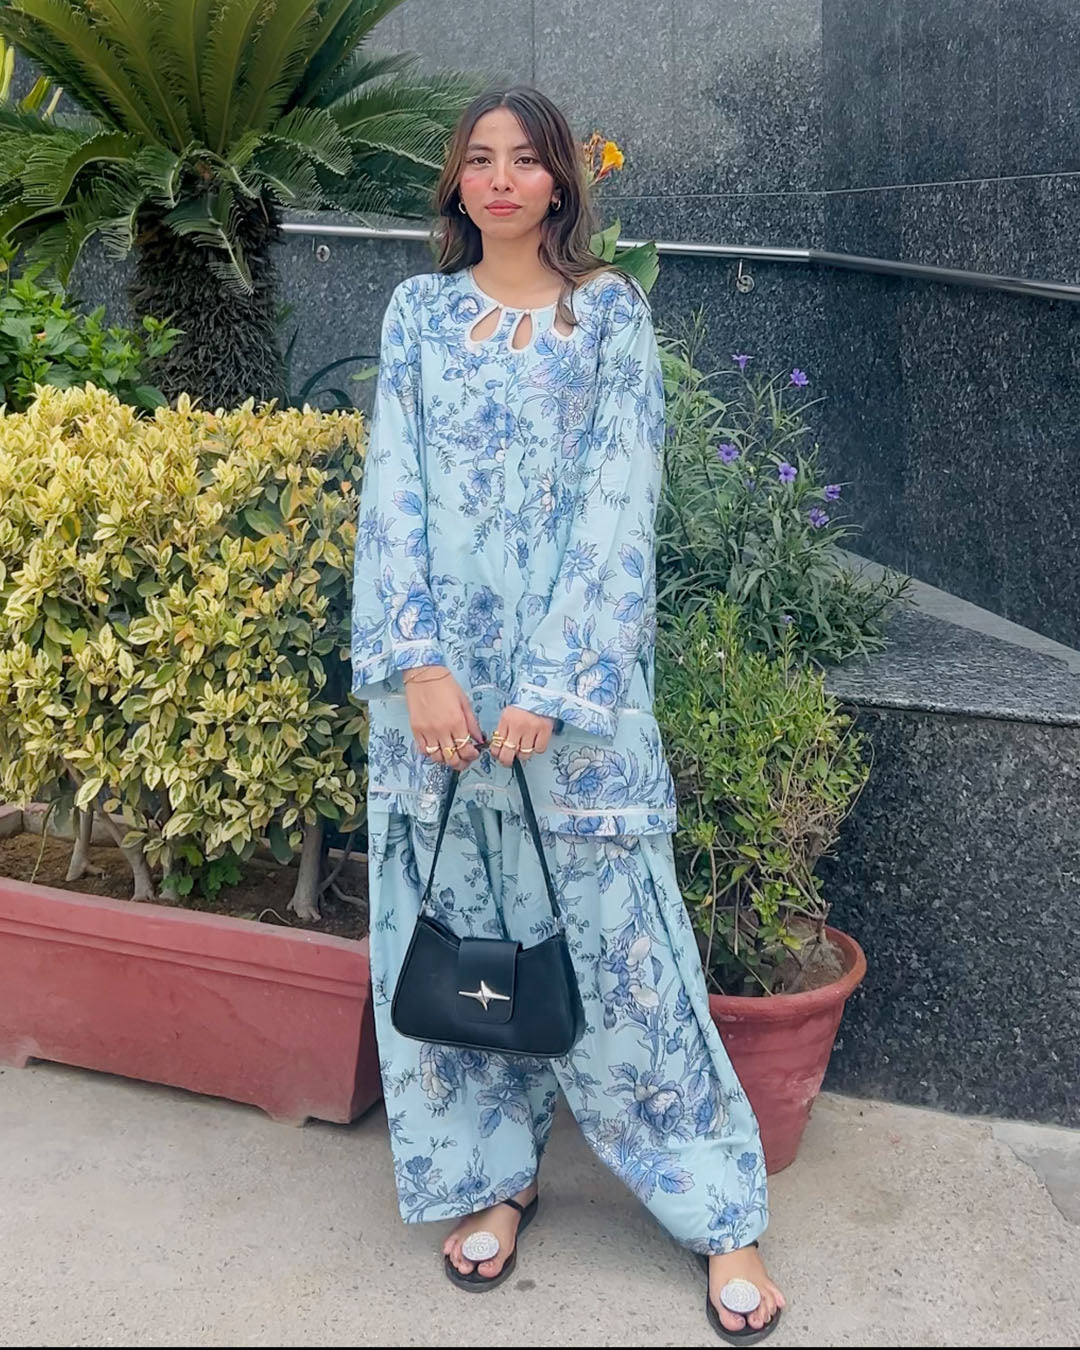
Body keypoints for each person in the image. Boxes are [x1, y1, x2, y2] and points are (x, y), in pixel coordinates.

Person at [350, 84, 785, 1342]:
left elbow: (619, 501)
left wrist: (551, 685)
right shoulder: (418, 313)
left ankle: (721, 1213)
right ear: (456, 182)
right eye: (478, 159)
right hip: (436, 701)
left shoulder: (609, 315)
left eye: (524, 159)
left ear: (559, 182)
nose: (500, 179)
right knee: (460, 940)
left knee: (627, 953)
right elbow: (392, 491)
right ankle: (494, 1183)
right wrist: (418, 666)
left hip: (572, 709)